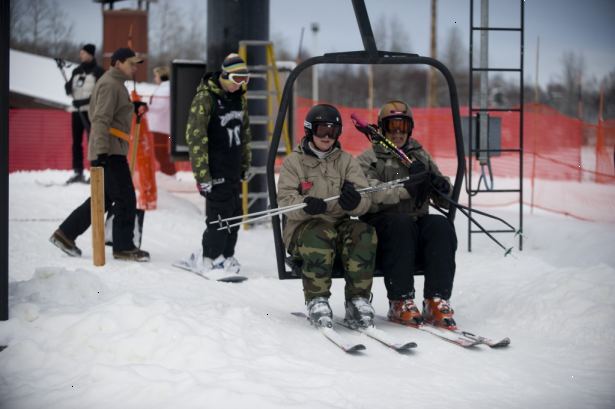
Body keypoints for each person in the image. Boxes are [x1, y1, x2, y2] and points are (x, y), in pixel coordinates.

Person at [357, 100, 458, 328]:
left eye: (403, 126)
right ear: (383, 128)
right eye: (393, 127)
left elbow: (444, 198)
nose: (398, 133)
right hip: (381, 223)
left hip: (415, 221)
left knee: (440, 225)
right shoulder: (369, 157)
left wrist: (439, 186)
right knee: (400, 224)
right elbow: (366, 192)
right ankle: (400, 300)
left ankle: (436, 298)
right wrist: (404, 190)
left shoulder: (419, 156)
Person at [277, 104, 377, 328]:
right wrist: (305, 206)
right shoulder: (294, 162)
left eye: (333, 131)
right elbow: (284, 201)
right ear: (310, 130)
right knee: (320, 232)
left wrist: (355, 203)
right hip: (303, 228)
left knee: (362, 231)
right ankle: (317, 299)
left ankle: (357, 300)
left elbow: (365, 199)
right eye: (322, 130)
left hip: (338, 224)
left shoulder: (346, 161)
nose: (327, 136)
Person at [50, 48, 150, 262]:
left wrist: (133, 107)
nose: (134, 68)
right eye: (131, 63)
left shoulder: (115, 84)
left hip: (110, 149)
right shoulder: (109, 84)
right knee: (125, 198)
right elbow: (101, 120)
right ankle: (123, 247)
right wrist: (102, 154)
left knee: (101, 200)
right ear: (118, 62)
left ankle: (65, 234)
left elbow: (113, 113)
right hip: (109, 151)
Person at [184, 53, 251, 276]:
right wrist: (202, 176)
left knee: (234, 213)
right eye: (237, 79)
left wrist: (245, 163)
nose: (241, 84)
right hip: (214, 169)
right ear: (225, 75)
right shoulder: (206, 98)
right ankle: (209, 258)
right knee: (219, 215)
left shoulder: (238, 99)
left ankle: (226, 255)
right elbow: (195, 137)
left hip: (232, 168)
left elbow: (244, 134)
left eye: (246, 80)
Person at [64, 43, 105, 184]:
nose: (81, 55)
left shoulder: (99, 71)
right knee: (76, 142)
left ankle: (95, 171)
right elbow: (69, 90)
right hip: (76, 111)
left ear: (91, 54)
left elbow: (101, 92)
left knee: (92, 142)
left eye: (83, 53)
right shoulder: (76, 70)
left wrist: (82, 102)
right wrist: (67, 87)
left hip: (91, 112)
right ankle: (78, 171)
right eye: (80, 53)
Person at [148, 66, 175, 175]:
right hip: (161, 127)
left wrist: (147, 107)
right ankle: (169, 173)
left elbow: (160, 106)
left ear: (161, 76)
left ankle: (170, 173)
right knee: (161, 152)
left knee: (160, 152)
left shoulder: (165, 89)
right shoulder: (164, 88)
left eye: (156, 76)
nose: (155, 79)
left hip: (161, 128)